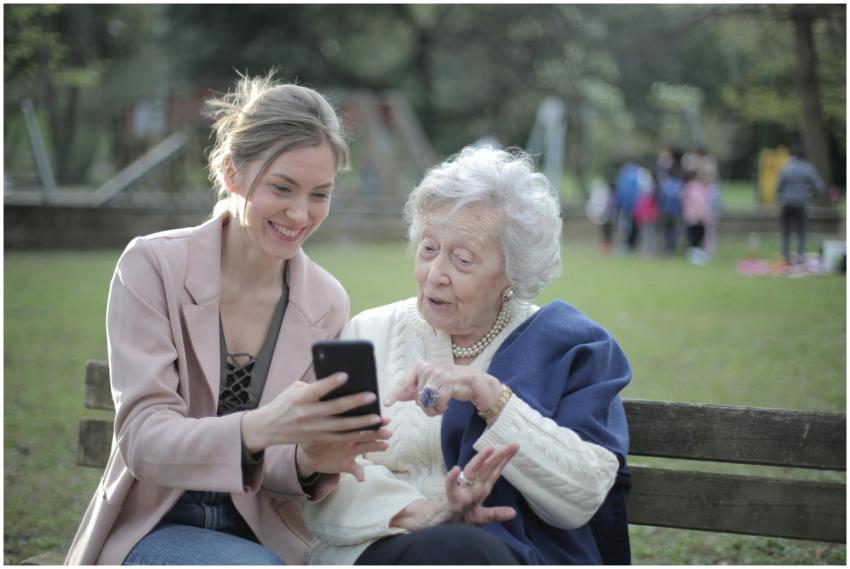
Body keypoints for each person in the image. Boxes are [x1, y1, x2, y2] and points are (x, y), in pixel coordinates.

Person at [65, 72, 391, 565]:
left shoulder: (326, 300)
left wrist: (308, 458)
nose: (300, 214)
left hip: (268, 538)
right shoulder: (152, 266)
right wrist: (258, 427)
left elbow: (280, 462)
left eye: (320, 194)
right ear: (231, 173)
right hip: (155, 525)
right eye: (282, 187)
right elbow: (144, 439)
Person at [302, 146, 632, 565]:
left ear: (513, 272)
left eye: (462, 259)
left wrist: (491, 397)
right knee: (460, 549)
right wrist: (420, 512)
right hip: (376, 549)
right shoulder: (368, 334)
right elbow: (323, 472)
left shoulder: (570, 348)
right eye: (428, 249)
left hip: (510, 556)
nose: (435, 274)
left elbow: (583, 496)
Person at [776, 143, 826, 264]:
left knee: (785, 231)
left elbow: (778, 188)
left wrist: (782, 197)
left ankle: (785, 256)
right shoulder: (807, 168)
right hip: (800, 204)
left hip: (786, 204)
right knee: (801, 231)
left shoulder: (785, 167)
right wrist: (812, 194)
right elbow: (820, 187)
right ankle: (801, 256)